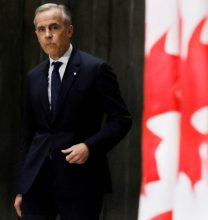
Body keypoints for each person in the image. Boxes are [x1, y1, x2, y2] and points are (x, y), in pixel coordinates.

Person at [13, 3, 132, 220]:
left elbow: (121, 119)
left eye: (54, 27)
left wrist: (89, 146)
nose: (47, 35)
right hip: (37, 182)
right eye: (41, 29)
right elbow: (27, 134)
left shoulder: (95, 69)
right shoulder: (34, 76)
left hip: (81, 181)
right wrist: (23, 186)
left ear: (69, 30)